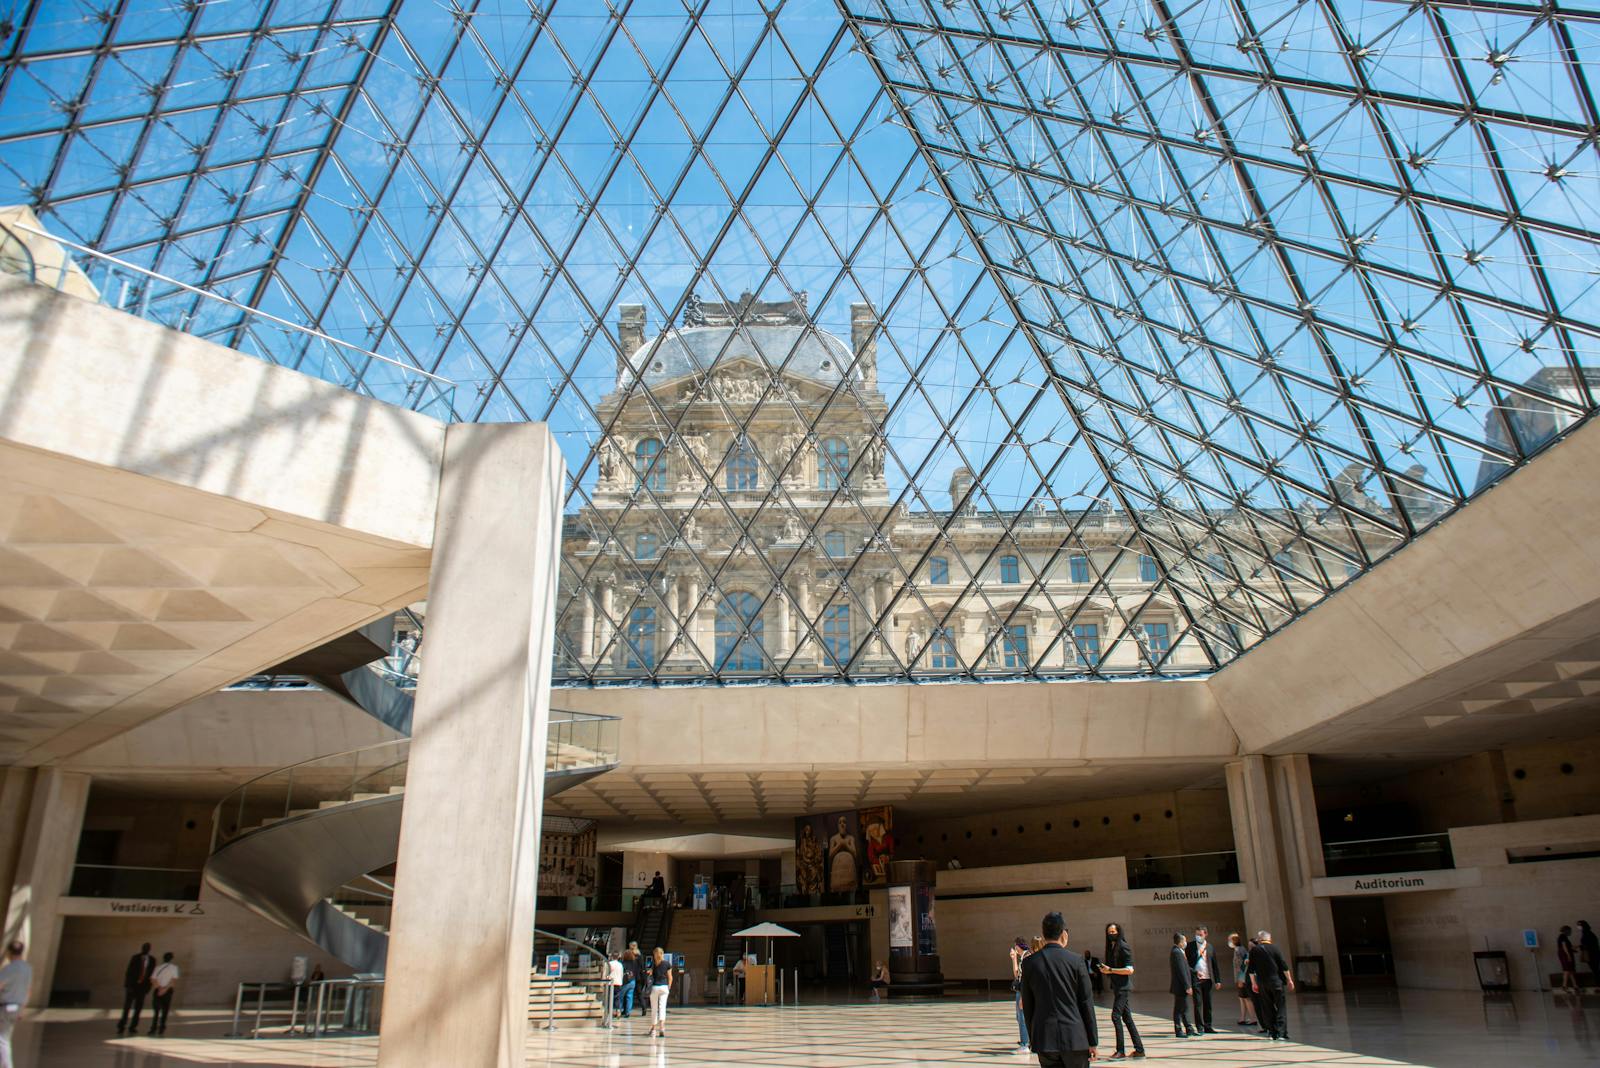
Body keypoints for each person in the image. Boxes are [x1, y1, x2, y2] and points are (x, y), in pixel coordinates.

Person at [1019, 911, 1097, 1067]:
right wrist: (1092, 1041)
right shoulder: (1076, 961)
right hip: (1075, 1038)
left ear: (1044, 934)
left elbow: (1028, 1006)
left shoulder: (1029, 963)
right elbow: (1086, 1002)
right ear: (1063, 934)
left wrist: (1034, 1039)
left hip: (1045, 1040)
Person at [1098, 921, 1145, 1060]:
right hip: (1117, 987)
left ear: (1119, 932)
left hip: (1123, 988)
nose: (1111, 934)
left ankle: (1120, 1051)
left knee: (1115, 1016)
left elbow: (1130, 970)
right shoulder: (1112, 948)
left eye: (1113, 932)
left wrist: (1111, 970)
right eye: (1109, 932)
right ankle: (1139, 1049)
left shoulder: (1123, 947)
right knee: (1127, 1018)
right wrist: (1107, 970)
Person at [1247, 930, 1294, 1041]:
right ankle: (1282, 1033)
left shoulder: (1254, 950)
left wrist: (1254, 983)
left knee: (1267, 1007)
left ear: (1259, 939)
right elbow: (1284, 966)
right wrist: (1290, 980)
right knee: (1280, 1006)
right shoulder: (1275, 948)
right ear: (1269, 939)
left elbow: (1250, 970)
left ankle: (1272, 1032)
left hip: (1262, 983)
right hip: (1276, 982)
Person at [0, 941, 32, 1068]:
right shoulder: (27, 968)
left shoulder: (9, 968)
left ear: (9, 952)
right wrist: (22, 1009)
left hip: (6, 1007)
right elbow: (29, 990)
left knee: (2, 1039)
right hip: (18, 1006)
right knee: (5, 1038)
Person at [1186, 925, 1219, 1033]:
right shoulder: (1190, 946)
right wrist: (1194, 973)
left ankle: (1208, 1026)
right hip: (1196, 980)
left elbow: (1215, 964)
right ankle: (1199, 1027)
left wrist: (1218, 980)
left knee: (1208, 1003)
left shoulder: (1210, 947)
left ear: (1205, 934)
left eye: (1200, 934)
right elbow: (1186, 964)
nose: (1198, 936)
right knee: (1198, 1004)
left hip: (1208, 979)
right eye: (1196, 934)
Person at [117, 941, 155, 1035]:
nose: (145, 949)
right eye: (144, 947)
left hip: (142, 987)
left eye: (147, 947)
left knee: (138, 1008)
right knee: (127, 1007)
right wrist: (128, 985)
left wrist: (148, 988)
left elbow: (151, 974)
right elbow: (129, 972)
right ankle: (121, 1026)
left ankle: (133, 1027)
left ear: (149, 949)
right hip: (132, 986)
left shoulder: (152, 960)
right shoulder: (135, 958)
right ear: (142, 948)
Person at [1168, 933, 1196, 1038]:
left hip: (1181, 986)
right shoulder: (1176, 952)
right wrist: (1187, 986)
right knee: (1179, 1009)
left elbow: (1185, 967)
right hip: (1180, 986)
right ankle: (1179, 1030)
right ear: (1180, 942)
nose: (1186, 943)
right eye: (1184, 941)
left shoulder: (1179, 951)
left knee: (1184, 1008)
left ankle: (1189, 1029)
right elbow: (1181, 971)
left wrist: (1195, 971)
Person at [1228, 933, 1256, 1026]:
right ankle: (1243, 1017)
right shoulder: (1236, 950)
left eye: (1230, 940)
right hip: (1239, 978)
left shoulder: (1241, 950)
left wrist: (1241, 979)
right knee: (1241, 998)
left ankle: (1253, 1018)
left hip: (1242, 978)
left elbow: (1244, 966)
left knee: (1246, 998)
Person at [1010, 937, 1031, 1053]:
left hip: (1024, 992)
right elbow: (1017, 974)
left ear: (1018, 946)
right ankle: (1026, 1041)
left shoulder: (1027, 957)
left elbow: (1027, 979)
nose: (1014, 949)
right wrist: (1013, 959)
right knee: (1019, 1017)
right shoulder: (1022, 957)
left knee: (1022, 1017)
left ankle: (1025, 1044)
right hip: (1021, 991)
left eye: (1015, 946)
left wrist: (1023, 996)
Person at [148, 951, 179, 1035]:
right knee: (165, 1010)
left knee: (156, 1011)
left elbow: (152, 979)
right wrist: (165, 989)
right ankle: (161, 1027)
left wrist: (159, 988)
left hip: (158, 990)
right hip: (168, 991)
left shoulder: (157, 967)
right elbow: (173, 980)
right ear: (171, 959)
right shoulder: (174, 968)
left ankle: (153, 1028)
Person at [827, 816, 860, 891]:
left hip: (849, 866)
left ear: (846, 825)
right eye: (840, 822)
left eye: (844, 822)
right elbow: (830, 854)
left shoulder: (851, 838)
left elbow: (855, 853)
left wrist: (845, 844)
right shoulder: (833, 838)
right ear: (838, 825)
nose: (842, 824)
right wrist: (839, 845)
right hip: (837, 867)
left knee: (850, 886)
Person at [647, 946, 673, 1038]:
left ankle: (653, 1029)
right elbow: (670, 977)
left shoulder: (653, 964)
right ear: (662, 954)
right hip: (664, 987)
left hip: (655, 987)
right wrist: (668, 987)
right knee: (662, 1007)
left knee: (654, 1008)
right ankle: (662, 1027)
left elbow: (649, 975)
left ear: (654, 954)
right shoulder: (667, 964)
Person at [1580, 921, 1600, 990]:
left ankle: (1598, 985)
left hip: (1592, 954)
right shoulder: (1589, 933)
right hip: (1594, 953)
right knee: (1595, 969)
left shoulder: (1587, 934)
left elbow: (1587, 945)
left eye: (1579, 925)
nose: (1578, 927)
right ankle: (1597, 984)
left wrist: (1580, 947)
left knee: (1595, 970)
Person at [618, 949, 637, 1016]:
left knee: (620, 996)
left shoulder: (623, 963)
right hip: (633, 981)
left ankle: (619, 1010)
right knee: (630, 996)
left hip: (625, 981)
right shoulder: (634, 962)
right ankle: (628, 1012)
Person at [607, 953, 625, 1018]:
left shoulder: (609, 964)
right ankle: (618, 1012)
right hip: (618, 982)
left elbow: (606, 972)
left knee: (609, 998)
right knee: (617, 998)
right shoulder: (620, 965)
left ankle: (609, 1012)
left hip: (610, 983)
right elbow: (621, 974)